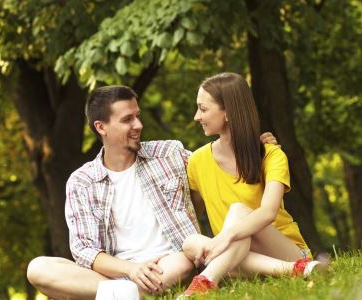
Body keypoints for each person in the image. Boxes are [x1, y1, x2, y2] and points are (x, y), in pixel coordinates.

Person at [26, 85, 277, 300]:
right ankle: (126, 293)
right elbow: (84, 250)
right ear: (101, 127)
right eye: (127, 120)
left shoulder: (169, 154)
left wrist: (256, 148)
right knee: (38, 268)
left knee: (182, 261)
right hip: (113, 272)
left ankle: (118, 295)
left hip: (169, 263)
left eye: (137, 116)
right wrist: (132, 269)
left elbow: (218, 168)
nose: (138, 125)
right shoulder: (82, 181)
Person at [178, 72, 323, 298]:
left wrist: (224, 238)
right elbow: (193, 216)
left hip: (284, 250)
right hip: (234, 258)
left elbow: (267, 212)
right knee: (190, 242)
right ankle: (299, 271)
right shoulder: (197, 161)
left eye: (203, 109)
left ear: (228, 113)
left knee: (238, 211)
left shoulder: (271, 155)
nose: (197, 116)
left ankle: (204, 283)